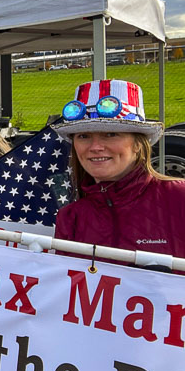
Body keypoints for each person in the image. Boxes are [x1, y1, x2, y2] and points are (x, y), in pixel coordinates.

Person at [52, 79, 185, 265]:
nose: (95, 147)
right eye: (84, 136)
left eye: (111, 134)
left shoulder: (179, 198)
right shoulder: (71, 217)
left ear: (138, 144)